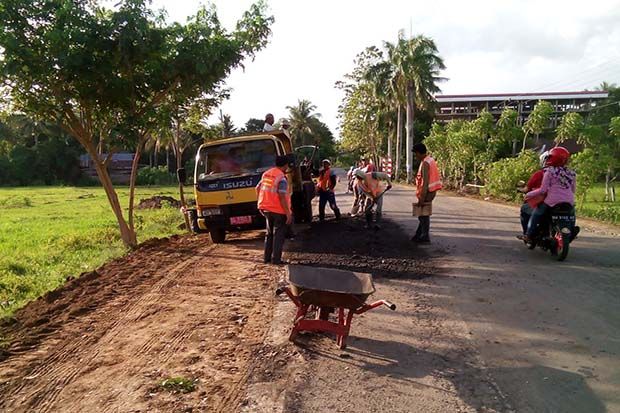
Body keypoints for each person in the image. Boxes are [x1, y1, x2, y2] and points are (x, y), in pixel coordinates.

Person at [520, 147, 577, 242]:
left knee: (536, 213)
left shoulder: (549, 172)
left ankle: (529, 235)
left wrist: (529, 195)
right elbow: (573, 190)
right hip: (569, 200)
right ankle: (571, 230)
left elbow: (542, 190)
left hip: (551, 201)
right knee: (571, 214)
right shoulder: (571, 173)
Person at [256, 155, 292, 264]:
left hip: (266, 208)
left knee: (269, 234)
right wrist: (288, 214)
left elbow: (257, 188)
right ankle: (276, 260)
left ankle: (266, 259)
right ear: (286, 165)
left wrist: (260, 202)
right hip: (278, 210)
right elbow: (282, 197)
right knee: (278, 236)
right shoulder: (281, 178)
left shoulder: (267, 174)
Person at [411, 143, 442, 243]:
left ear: (419, 153)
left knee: (423, 215)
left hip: (428, 192)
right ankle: (419, 235)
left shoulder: (425, 163)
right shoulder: (430, 160)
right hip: (433, 190)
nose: (416, 157)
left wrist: (422, 197)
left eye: (416, 154)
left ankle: (425, 236)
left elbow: (425, 183)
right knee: (423, 213)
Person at [518, 151, 548, 234]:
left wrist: (526, 193)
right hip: (561, 203)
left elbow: (541, 190)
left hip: (542, 202)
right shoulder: (564, 174)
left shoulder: (541, 174)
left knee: (524, 209)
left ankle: (528, 234)